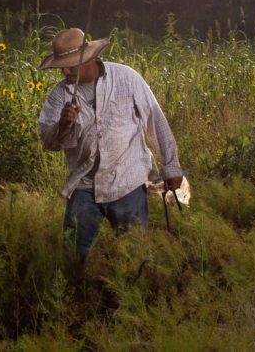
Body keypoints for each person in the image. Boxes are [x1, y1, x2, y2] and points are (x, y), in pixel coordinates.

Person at [38, 27, 184, 261]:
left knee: (135, 254)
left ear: (90, 58)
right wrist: (63, 126)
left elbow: (154, 120)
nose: (64, 70)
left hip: (128, 181)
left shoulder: (126, 78)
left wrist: (171, 166)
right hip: (85, 184)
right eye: (61, 65)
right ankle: (76, 293)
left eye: (71, 64)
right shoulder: (59, 95)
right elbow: (49, 142)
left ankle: (137, 290)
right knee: (73, 253)